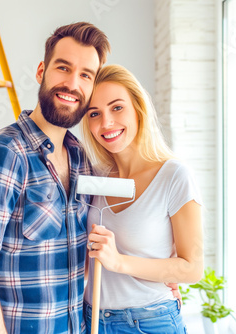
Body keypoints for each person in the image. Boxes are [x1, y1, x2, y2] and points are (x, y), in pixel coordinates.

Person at [0, 22, 110, 334]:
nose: (72, 83)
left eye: (86, 75)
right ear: (41, 72)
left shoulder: (81, 161)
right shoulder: (3, 153)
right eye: (63, 68)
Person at [80, 64, 204, 333]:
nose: (106, 123)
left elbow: (193, 269)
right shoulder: (94, 177)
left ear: (138, 109)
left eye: (117, 107)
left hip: (149, 322)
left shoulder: (174, 175)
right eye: (94, 113)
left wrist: (119, 261)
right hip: (90, 319)